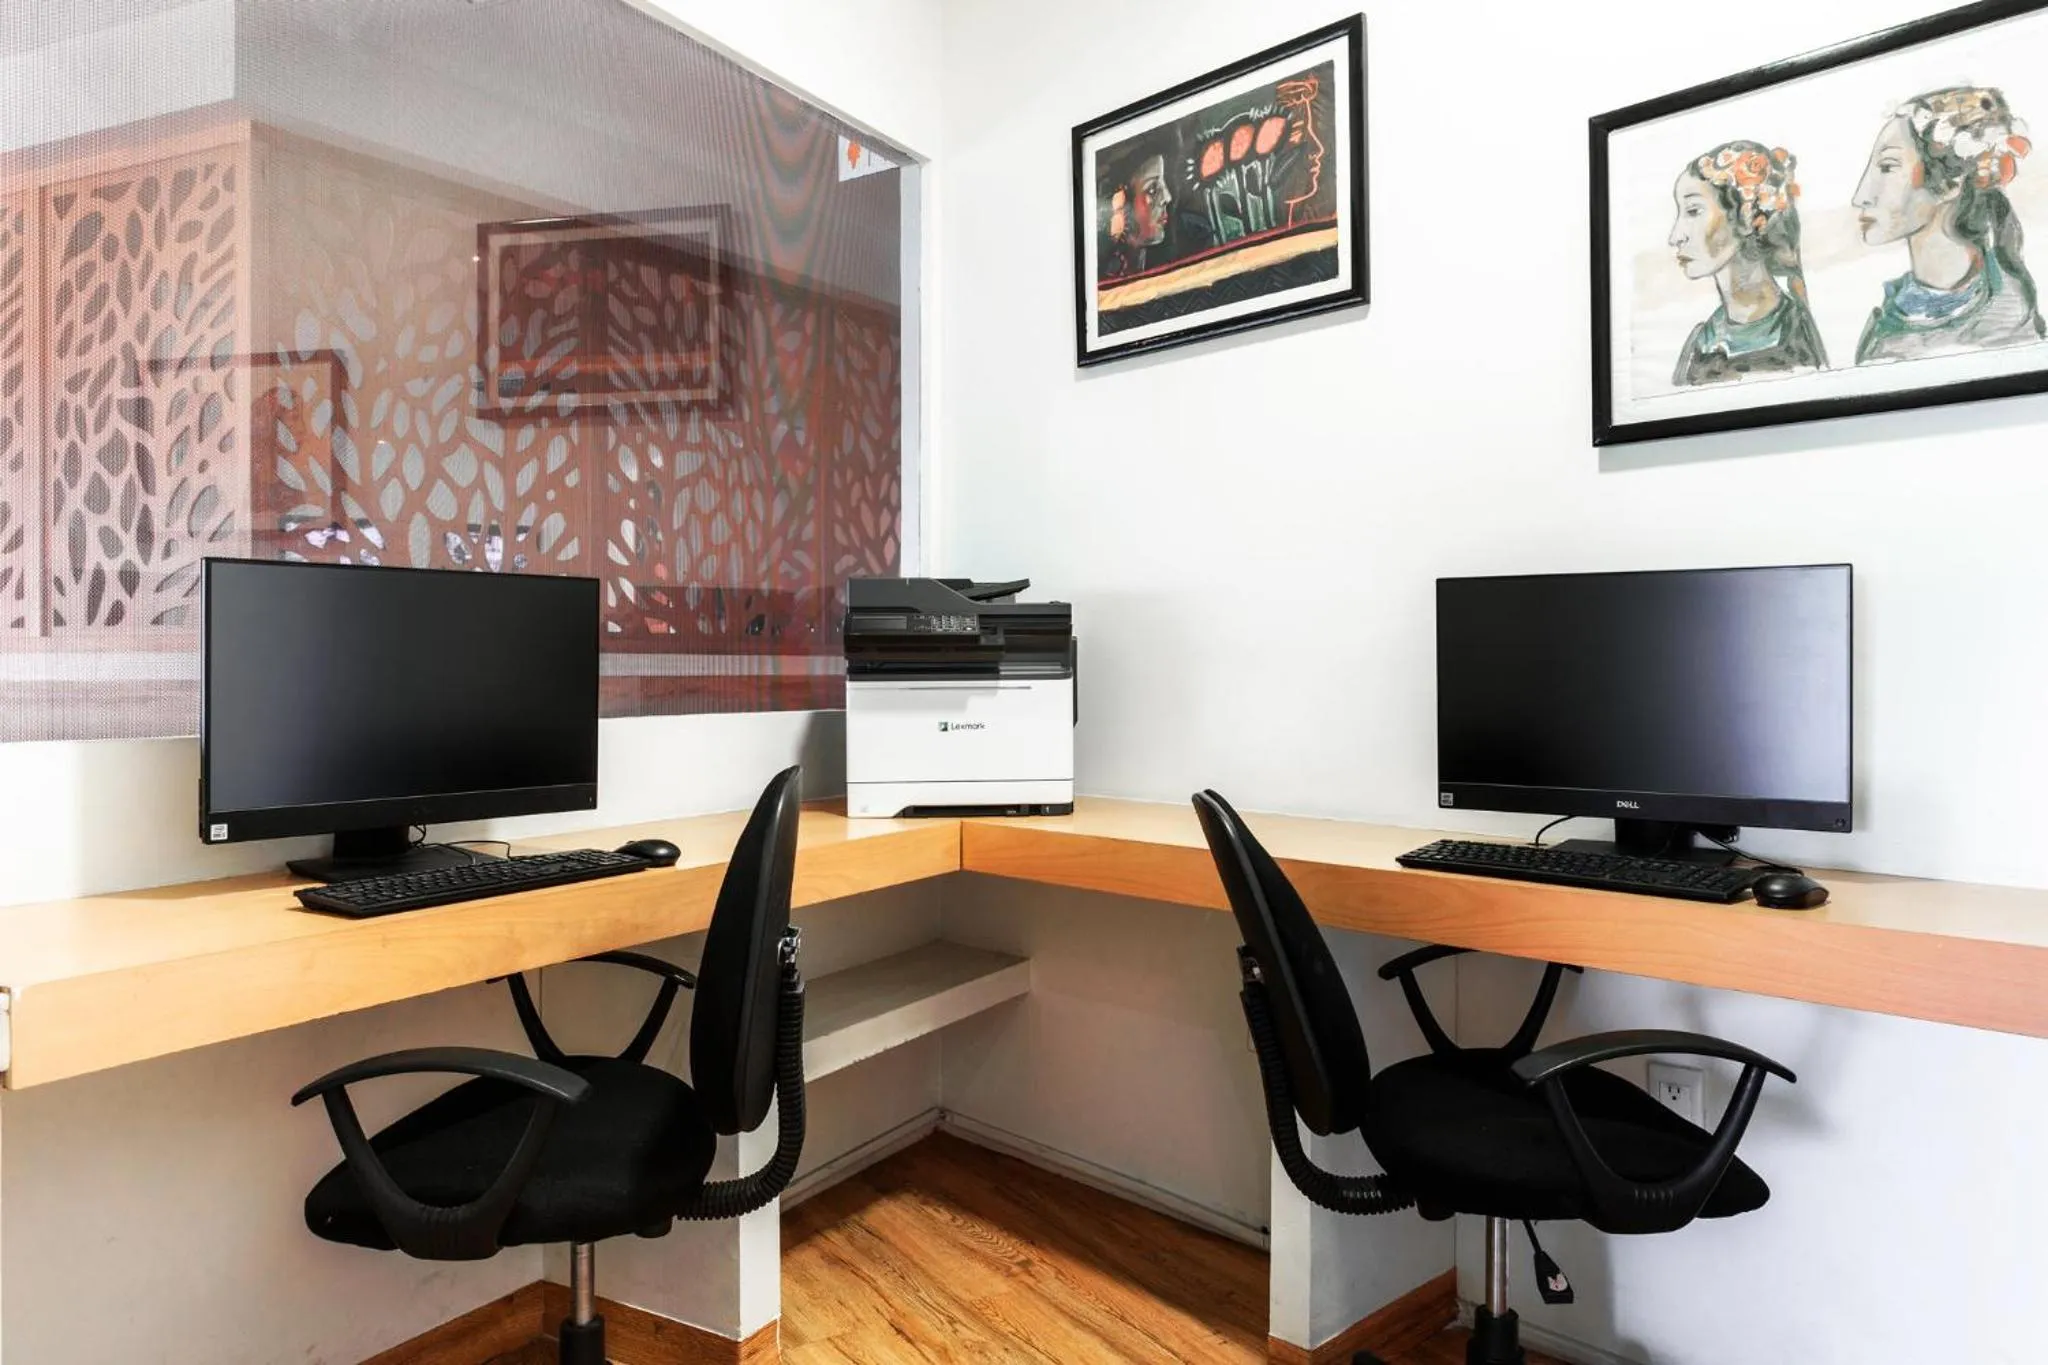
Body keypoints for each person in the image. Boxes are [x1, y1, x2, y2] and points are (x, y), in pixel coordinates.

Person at [1851, 87, 2045, 363]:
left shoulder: (2004, 323)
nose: (1861, 196)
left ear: (1951, 184)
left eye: (1887, 167)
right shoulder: (1890, 317)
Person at [1667, 140, 1826, 385]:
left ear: (1747, 217)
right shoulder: (1700, 341)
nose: (1676, 236)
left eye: (1693, 211)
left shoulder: (1793, 331)